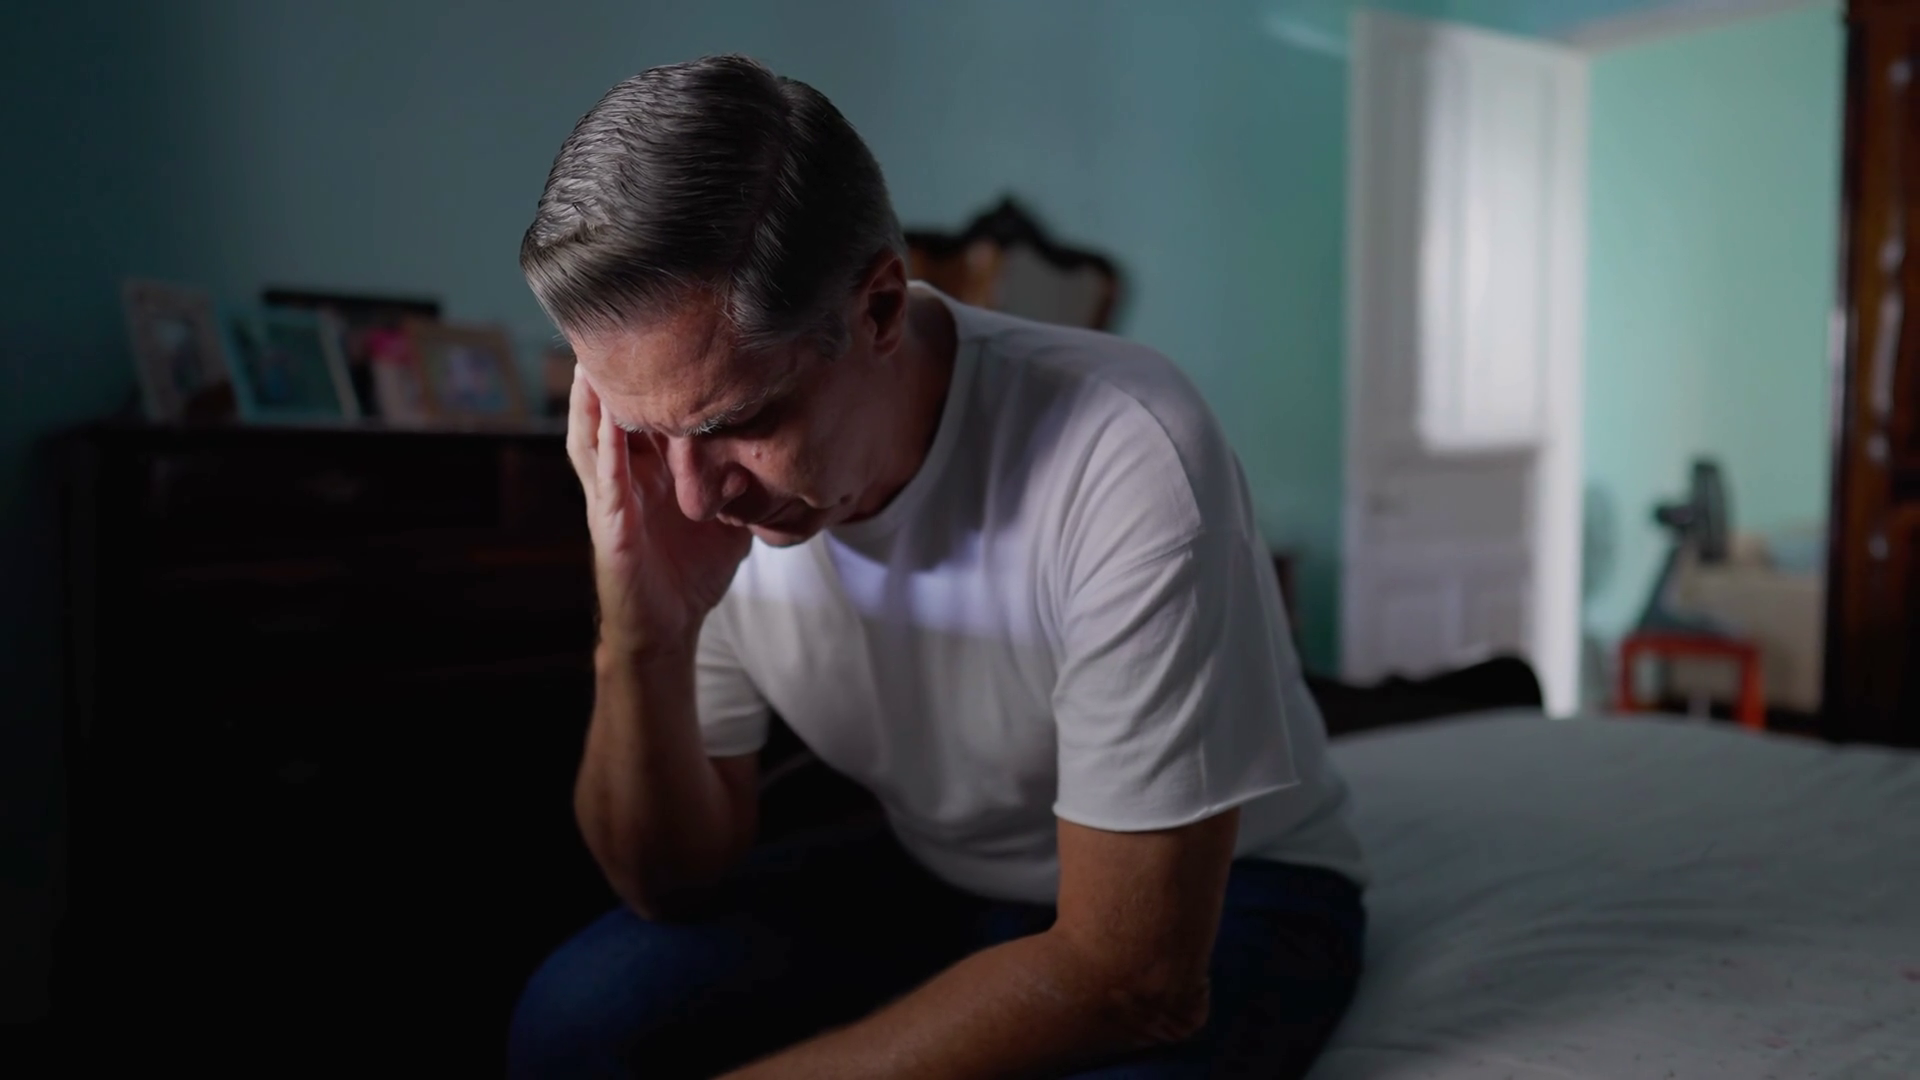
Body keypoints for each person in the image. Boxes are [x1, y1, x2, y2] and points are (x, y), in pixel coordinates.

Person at [507, 54, 1368, 1080]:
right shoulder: (685, 496)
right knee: (575, 1023)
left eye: (741, 422)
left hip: (1236, 888)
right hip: (944, 875)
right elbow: (669, 884)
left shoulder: (1126, 450)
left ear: (879, 308)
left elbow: (1135, 979)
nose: (693, 498)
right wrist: (644, 631)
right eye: (646, 433)